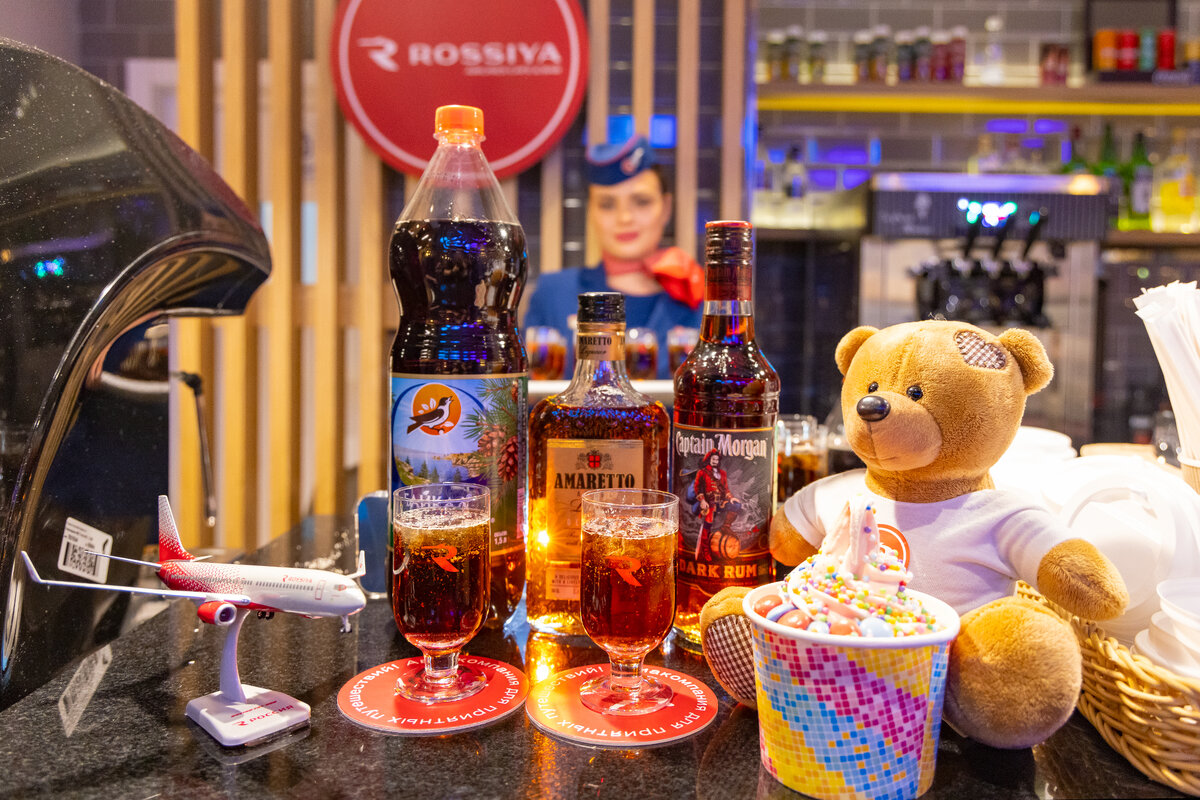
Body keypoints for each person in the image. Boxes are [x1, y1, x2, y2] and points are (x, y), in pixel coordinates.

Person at [523, 135, 703, 378]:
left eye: (641, 202)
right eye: (607, 204)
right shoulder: (554, 293)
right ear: (592, 213)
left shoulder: (699, 298)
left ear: (666, 208)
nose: (624, 218)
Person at [691, 449, 741, 562]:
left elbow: (726, 489)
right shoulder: (702, 472)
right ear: (709, 460)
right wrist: (702, 501)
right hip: (709, 504)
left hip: (721, 502)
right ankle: (706, 551)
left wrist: (731, 498)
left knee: (736, 506)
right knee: (707, 525)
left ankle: (726, 526)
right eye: (713, 459)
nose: (715, 461)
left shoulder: (722, 473)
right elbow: (697, 488)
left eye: (717, 459)